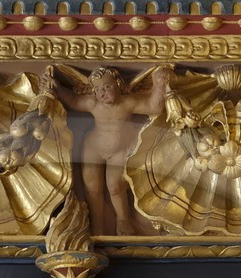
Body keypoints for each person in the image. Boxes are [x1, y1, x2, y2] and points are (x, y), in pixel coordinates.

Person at [54, 65, 169, 235]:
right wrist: (56, 87)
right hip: (93, 148)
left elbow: (154, 108)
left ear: (118, 85)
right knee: (92, 189)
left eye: (107, 87)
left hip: (119, 151)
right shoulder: (93, 104)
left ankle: (123, 219)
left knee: (115, 187)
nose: (102, 92)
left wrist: (159, 85)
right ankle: (97, 227)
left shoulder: (128, 103)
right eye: (98, 89)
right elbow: (73, 100)